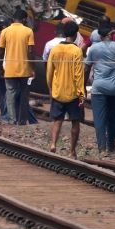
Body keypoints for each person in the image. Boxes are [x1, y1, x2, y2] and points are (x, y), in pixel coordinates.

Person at [86, 20, 115, 155]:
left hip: (99, 88)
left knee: (99, 119)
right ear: (112, 34)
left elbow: (86, 67)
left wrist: (83, 86)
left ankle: (102, 148)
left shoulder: (94, 49)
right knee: (113, 118)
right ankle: (111, 146)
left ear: (100, 36)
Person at [46, 20, 86, 158]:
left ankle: (53, 144)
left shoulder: (55, 49)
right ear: (75, 35)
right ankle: (72, 151)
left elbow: (49, 71)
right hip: (73, 93)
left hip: (58, 91)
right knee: (75, 122)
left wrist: (50, 88)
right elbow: (78, 75)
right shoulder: (77, 51)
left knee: (57, 120)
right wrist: (81, 95)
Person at [0, 9, 35, 125]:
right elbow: (31, 51)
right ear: (24, 19)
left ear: (13, 19)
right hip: (25, 69)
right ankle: (22, 120)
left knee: (10, 94)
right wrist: (32, 68)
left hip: (9, 68)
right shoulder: (28, 31)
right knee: (24, 95)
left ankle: (12, 119)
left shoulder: (5, 31)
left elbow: (0, 51)